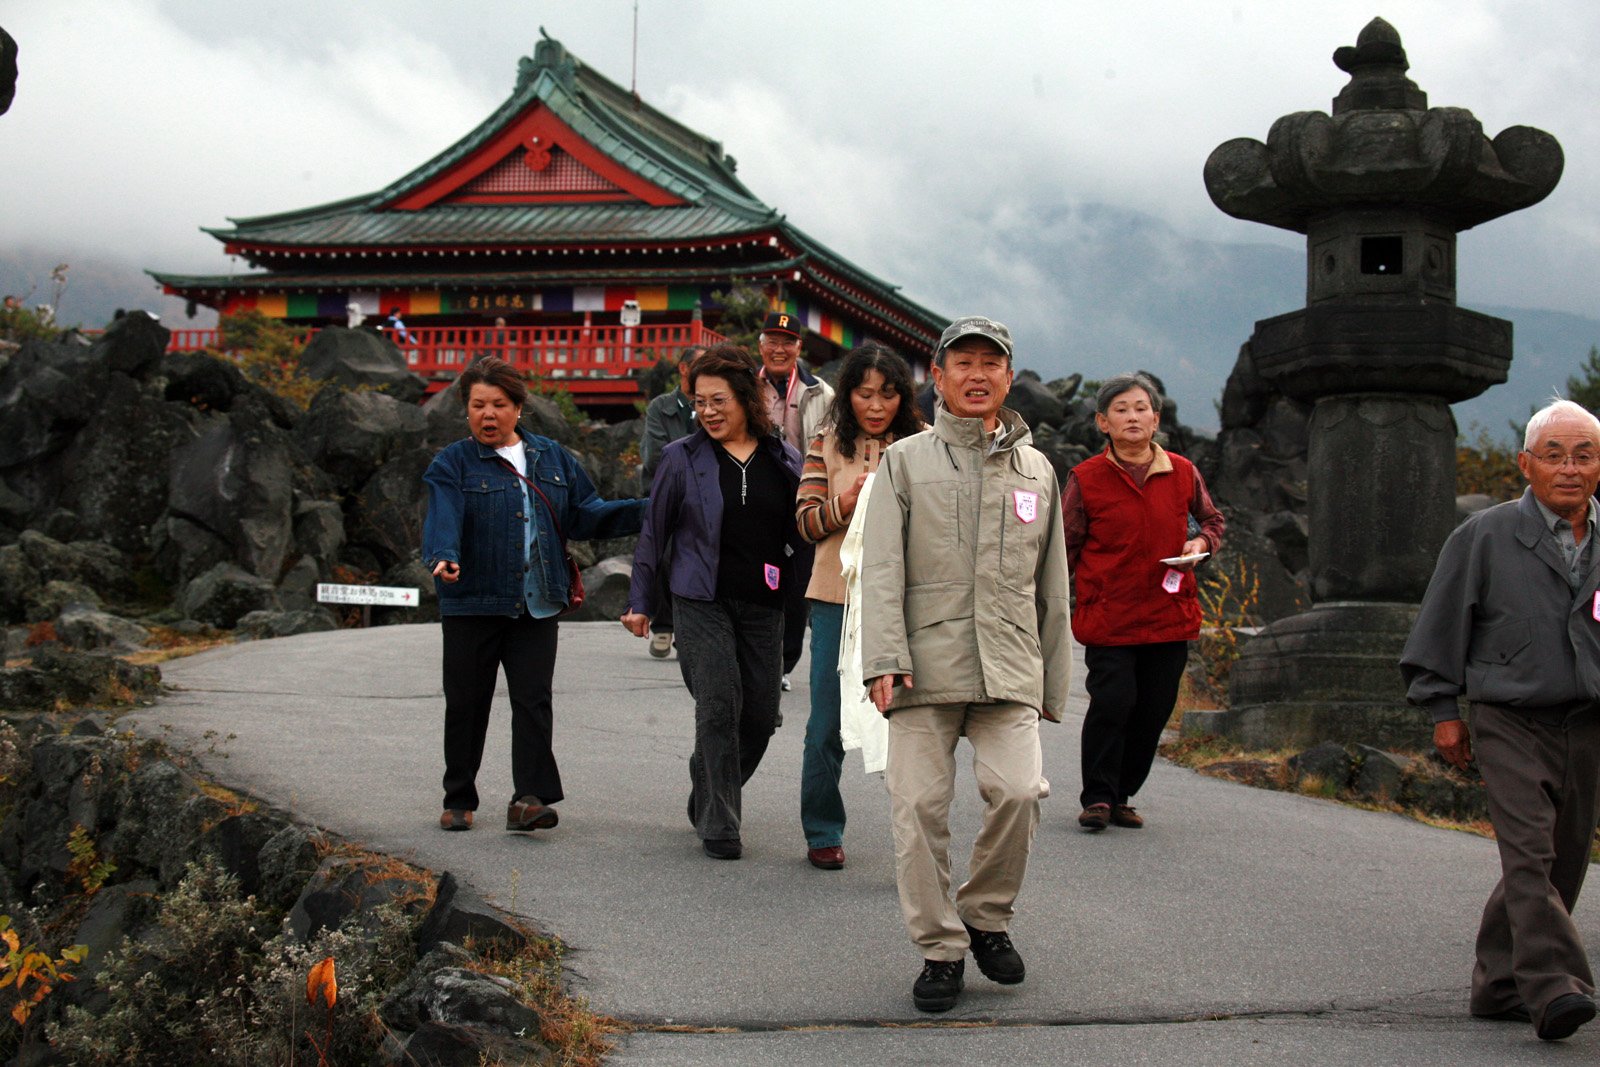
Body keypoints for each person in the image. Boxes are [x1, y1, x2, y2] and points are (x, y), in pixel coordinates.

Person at [860, 316, 1071, 1013]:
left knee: (1018, 790)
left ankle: (985, 915)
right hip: (922, 663)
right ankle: (940, 949)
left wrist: (1054, 679)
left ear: (1009, 377)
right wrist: (883, 657)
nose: (977, 375)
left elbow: (1053, 583)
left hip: (1009, 663)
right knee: (916, 805)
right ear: (940, 376)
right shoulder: (906, 460)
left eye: (992, 363)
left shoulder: (1037, 469)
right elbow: (882, 566)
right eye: (964, 363)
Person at [1401, 398, 1600, 1042]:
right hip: (1509, 716)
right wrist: (1443, 711)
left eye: (1584, 455)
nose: (1569, 469)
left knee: (1563, 859)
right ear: (1527, 464)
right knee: (1529, 854)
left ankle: (1497, 984)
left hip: (1588, 721)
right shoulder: (1484, 534)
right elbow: (1441, 622)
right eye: (1554, 455)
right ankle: (1557, 988)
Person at [422, 357, 645, 834]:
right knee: (466, 702)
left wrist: (649, 510)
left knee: (532, 700)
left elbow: (586, 515)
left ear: (518, 407)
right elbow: (444, 511)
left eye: (499, 405)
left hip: (537, 601)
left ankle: (529, 799)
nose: (488, 414)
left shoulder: (554, 458)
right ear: (466, 410)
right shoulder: (452, 462)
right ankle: (458, 797)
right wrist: (444, 553)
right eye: (478, 405)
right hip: (472, 601)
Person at [622, 344, 804, 860]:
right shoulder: (681, 458)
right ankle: (721, 824)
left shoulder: (784, 458)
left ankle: (707, 777)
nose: (708, 411)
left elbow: (805, 529)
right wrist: (640, 601)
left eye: (718, 400)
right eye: (700, 402)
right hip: (700, 598)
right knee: (720, 706)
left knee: (762, 715)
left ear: (746, 397)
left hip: (764, 602)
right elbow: (653, 535)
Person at [1064, 373, 1225, 832]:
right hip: (1109, 614)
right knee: (1112, 702)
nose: (1131, 417)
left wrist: (1201, 545)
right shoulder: (1086, 478)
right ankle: (1096, 796)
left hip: (1168, 614)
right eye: (1120, 410)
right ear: (1102, 422)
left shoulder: (1182, 471)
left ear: (1155, 419)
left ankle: (1121, 794)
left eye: (1140, 409)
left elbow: (1212, 520)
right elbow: (1064, 546)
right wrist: (1051, 604)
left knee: (1153, 711)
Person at [794, 342, 925, 870]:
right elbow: (804, 522)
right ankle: (823, 829)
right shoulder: (825, 444)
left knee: (911, 724)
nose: (875, 405)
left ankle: (915, 837)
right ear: (847, 395)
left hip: (904, 603)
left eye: (888, 395)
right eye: (864, 394)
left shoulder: (923, 447)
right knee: (826, 721)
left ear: (903, 397)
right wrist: (843, 506)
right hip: (835, 600)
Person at [756, 311, 834, 690]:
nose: (779, 349)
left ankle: (784, 665)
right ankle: (757, 657)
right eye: (772, 341)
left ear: (799, 347)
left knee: (797, 585)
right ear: (760, 345)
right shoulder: (746, 386)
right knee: (757, 576)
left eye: (787, 342)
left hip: (803, 495)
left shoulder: (821, 392)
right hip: (754, 494)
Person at [638, 344, 708, 658]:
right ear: (683, 368)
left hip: (705, 498)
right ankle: (664, 625)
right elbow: (654, 456)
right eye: (701, 365)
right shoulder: (661, 406)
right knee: (665, 558)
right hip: (665, 494)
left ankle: (689, 631)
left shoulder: (713, 405)